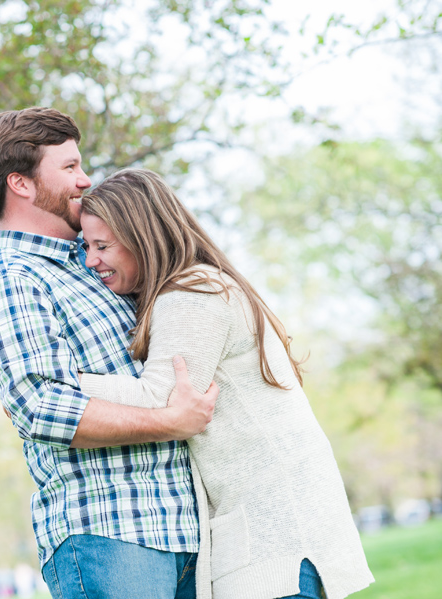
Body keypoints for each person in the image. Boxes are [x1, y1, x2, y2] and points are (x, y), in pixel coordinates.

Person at [78, 168, 374, 599]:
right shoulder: (204, 285)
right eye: (87, 246)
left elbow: (160, 398)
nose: (91, 260)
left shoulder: (192, 295)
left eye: (102, 245)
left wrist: (55, 387)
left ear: (143, 235)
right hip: (282, 534)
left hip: (274, 542)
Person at [0, 107, 219, 599]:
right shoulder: (15, 282)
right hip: (109, 535)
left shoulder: (95, 266)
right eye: (69, 167)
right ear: (21, 184)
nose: (84, 180)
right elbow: (42, 408)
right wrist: (172, 421)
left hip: (183, 531)